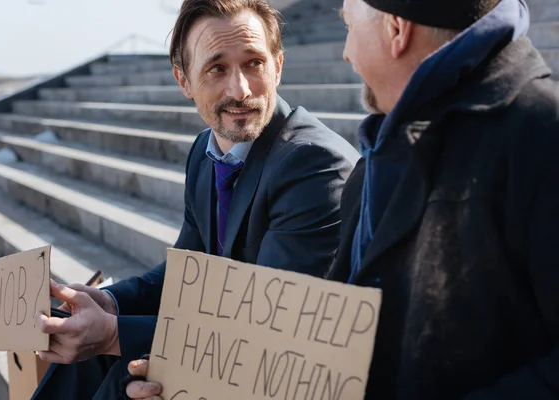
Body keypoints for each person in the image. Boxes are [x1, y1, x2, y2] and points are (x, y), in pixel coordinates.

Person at [125, 0, 559, 398]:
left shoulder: (541, 134)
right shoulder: (385, 152)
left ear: (396, 29)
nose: (347, 53)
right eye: (216, 68)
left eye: (349, 26)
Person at [32, 0, 359, 399]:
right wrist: (110, 301)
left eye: (254, 62)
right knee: (94, 364)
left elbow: (275, 330)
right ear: (183, 80)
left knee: (123, 380)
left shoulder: (314, 164)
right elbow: (189, 269)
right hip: (232, 351)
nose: (240, 89)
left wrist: (114, 334)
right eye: (216, 68)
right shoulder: (206, 150)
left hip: (288, 371)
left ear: (278, 66)